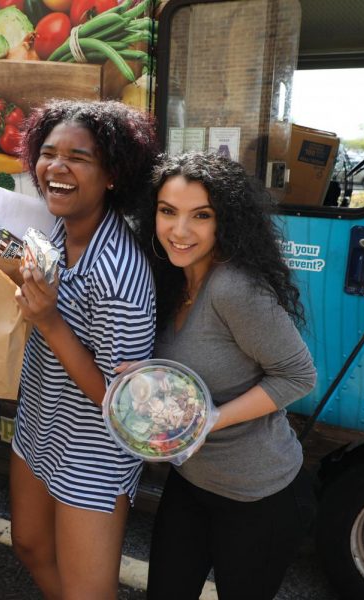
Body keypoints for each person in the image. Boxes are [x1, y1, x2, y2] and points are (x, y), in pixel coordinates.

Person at [133, 152, 317, 600]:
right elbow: (193, 371)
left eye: (201, 215)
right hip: (192, 481)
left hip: (259, 495)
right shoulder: (171, 279)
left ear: (225, 222)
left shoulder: (234, 288)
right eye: (168, 211)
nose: (179, 231)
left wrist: (208, 420)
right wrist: (143, 375)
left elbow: (297, 376)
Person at [10, 100, 158, 598]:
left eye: (79, 157)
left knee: (88, 591)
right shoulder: (60, 227)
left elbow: (123, 405)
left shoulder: (120, 274)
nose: (57, 166)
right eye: (48, 153)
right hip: (40, 423)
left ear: (112, 174)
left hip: (92, 449)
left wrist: (48, 320)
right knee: (30, 546)